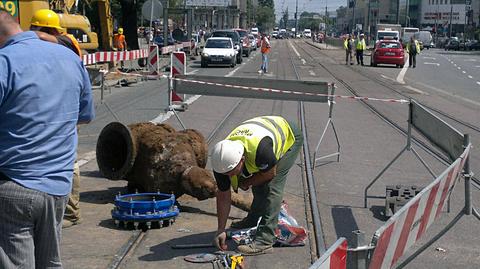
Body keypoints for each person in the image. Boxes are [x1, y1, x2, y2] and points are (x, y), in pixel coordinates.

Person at [0, 9, 94, 268]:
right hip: (58, 186)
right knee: (50, 263)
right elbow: (85, 116)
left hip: (13, 184)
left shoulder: (4, 61)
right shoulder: (70, 57)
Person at [211, 116, 303, 255]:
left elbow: (269, 174)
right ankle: (254, 219)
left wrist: (247, 182)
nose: (229, 176)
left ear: (242, 159)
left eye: (232, 172)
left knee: (271, 187)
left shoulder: (261, 150)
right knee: (258, 181)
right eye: (226, 173)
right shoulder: (221, 162)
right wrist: (221, 230)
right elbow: (223, 195)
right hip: (262, 131)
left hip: (290, 135)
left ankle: (265, 241)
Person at [30, 9, 85, 228]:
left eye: (35, 29)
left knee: (67, 160)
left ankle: (70, 212)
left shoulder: (59, 45)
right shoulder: (67, 42)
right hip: (64, 106)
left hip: (58, 108)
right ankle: (62, 209)